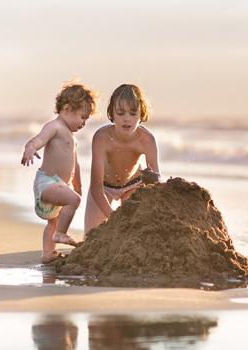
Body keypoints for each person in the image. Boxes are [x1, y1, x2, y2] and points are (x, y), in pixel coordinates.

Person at [21, 81, 97, 264]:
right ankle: (61, 234)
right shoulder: (54, 127)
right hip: (47, 182)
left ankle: (48, 254)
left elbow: (74, 163)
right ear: (67, 108)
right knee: (74, 201)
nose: (83, 123)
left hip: (60, 184)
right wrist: (30, 147)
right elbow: (39, 139)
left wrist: (77, 183)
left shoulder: (72, 137)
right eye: (82, 117)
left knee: (53, 221)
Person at [84, 83, 160, 234]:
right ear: (111, 113)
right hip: (104, 188)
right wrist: (113, 217)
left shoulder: (147, 140)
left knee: (133, 234)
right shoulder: (101, 138)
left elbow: (156, 182)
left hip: (133, 185)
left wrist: (151, 180)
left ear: (142, 114)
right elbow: (95, 185)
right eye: (120, 113)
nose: (127, 119)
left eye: (133, 114)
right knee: (91, 238)